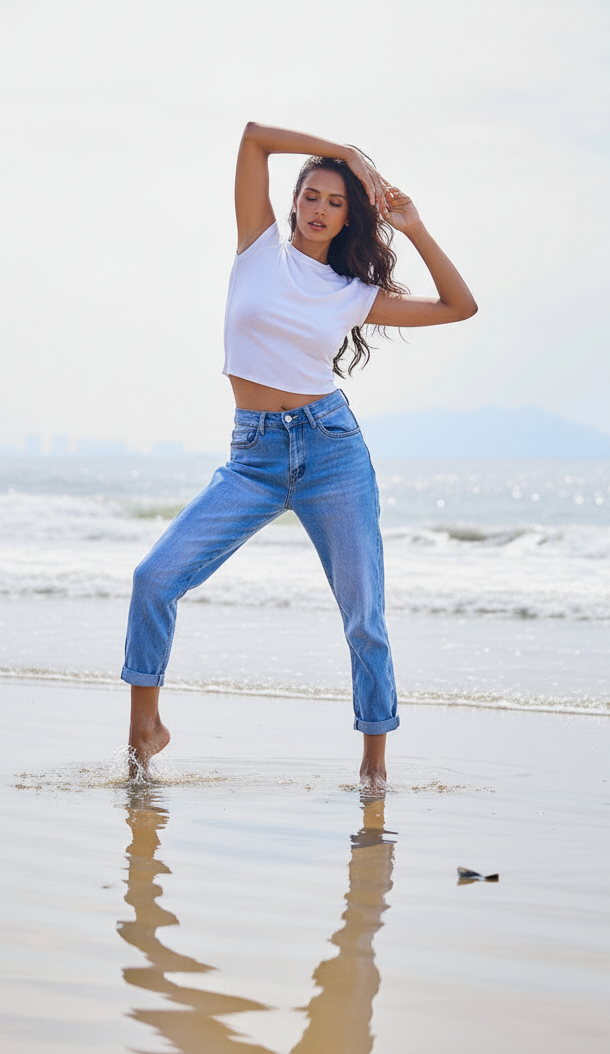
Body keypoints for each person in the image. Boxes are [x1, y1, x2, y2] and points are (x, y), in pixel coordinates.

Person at [123, 122, 477, 791]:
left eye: (335, 201)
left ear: (350, 218)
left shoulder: (354, 294)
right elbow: (254, 137)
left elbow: (461, 306)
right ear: (292, 203)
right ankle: (147, 727)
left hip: (331, 451)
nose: (319, 208)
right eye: (311, 195)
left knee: (362, 615)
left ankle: (374, 767)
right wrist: (349, 155)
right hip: (252, 454)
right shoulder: (257, 249)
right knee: (154, 577)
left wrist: (415, 228)